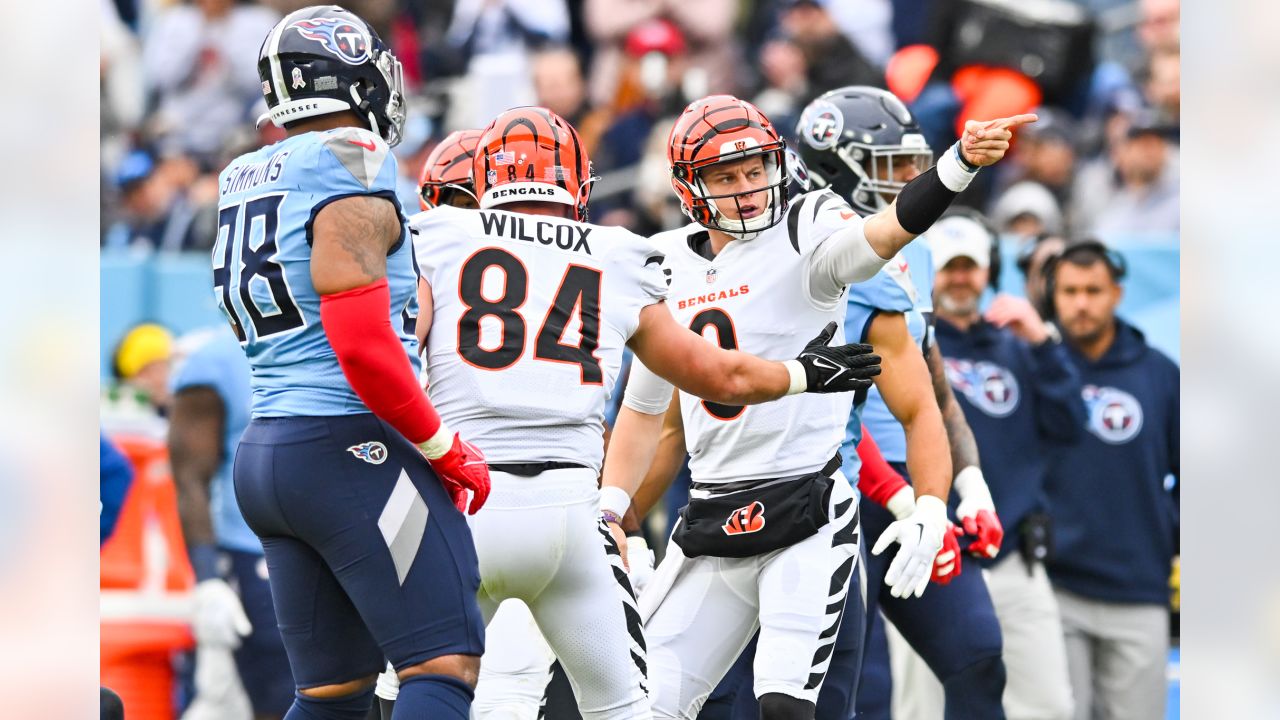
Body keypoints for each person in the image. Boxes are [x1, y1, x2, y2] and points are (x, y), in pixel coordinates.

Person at [376, 104, 883, 720]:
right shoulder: (616, 253)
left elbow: (386, 366)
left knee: (422, 684)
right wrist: (804, 373)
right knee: (624, 707)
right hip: (570, 512)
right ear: (578, 182)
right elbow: (717, 373)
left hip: (458, 499)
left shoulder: (436, 238)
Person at [606, 92, 1033, 720]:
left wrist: (959, 164)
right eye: (726, 176)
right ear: (689, 186)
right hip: (712, 512)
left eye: (755, 170)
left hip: (807, 506)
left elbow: (886, 233)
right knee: (643, 705)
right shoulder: (662, 261)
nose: (748, 188)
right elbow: (651, 416)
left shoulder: (808, 227)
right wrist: (614, 513)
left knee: (791, 707)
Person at [220, 8, 493, 719]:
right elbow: (361, 343)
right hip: (346, 444)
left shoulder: (243, 173)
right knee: (443, 661)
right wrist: (442, 445)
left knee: (333, 696)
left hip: (270, 453)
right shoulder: (351, 156)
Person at [798, 87, 1007, 720]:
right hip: (830, 483)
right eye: (890, 164)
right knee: (856, 686)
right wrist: (899, 496)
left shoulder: (913, 248)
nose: (908, 178)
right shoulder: (805, 248)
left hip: (916, 478)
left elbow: (933, 389)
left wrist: (967, 485)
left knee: (977, 656)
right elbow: (825, 399)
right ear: (838, 163)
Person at [892, 211, 1085, 720]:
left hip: (1013, 556)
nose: (959, 277)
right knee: (922, 710)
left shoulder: (1020, 349)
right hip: (932, 552)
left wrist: (1044, 341)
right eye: (949, 266)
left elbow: (1071, 426)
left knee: (1048, 707)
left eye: (970, 266)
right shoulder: (905, 344)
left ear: (988, 270)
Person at [1041, 240, 1179, 720]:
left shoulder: (1160, 374)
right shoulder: (1035, 368)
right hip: (1056, 586)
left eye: (1093, 290)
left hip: (1138, 589)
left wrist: (1168, 534)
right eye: (1070, 291)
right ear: (1053, 295)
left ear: (1117, 293)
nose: (1081, 303)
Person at [169, 328, 291, 720]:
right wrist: (207, 576)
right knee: (284, 698)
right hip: (255, 553)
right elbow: (189, 476)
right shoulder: (216, 360)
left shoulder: (353, 335)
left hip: (345, 548)